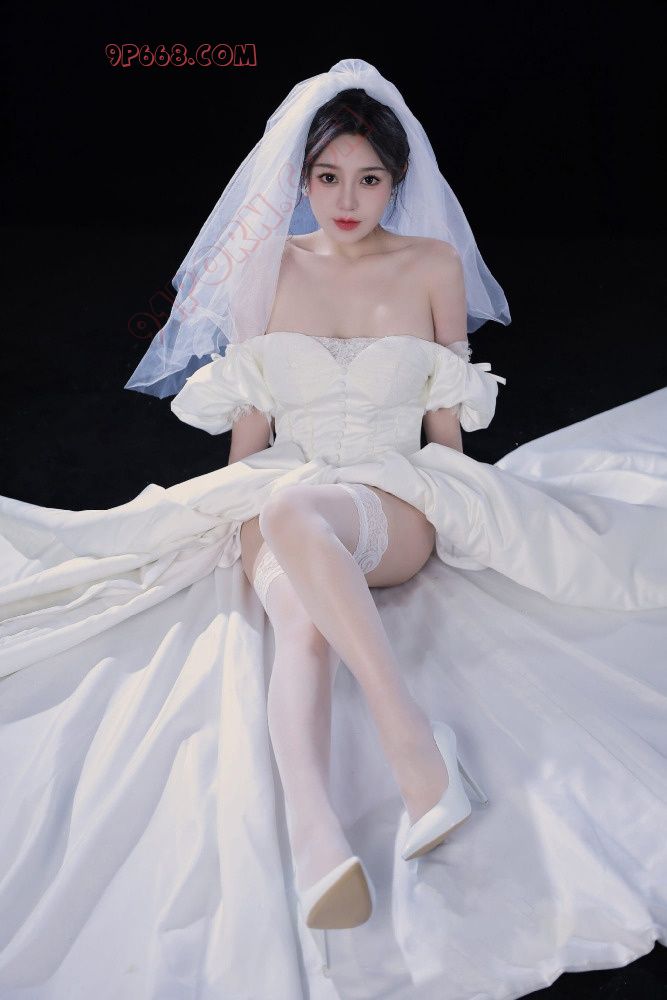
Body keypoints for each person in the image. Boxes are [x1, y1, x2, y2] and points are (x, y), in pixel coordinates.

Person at [0, 59, 665, 999]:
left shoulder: (431, 267)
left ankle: (411, 746)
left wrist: (474, 515)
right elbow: (250, 439)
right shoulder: (264, 274)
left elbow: (445, 437)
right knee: (293, 597)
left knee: (292, 513)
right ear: (300, 180)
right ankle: (320, 839)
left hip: (393, 501)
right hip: (282, 492)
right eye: (326, 177)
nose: (346, 200)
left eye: (368, 179)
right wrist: (223, 516)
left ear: (397, 183)